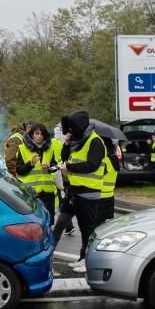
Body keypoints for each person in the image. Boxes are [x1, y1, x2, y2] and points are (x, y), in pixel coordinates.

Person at [59, 110, 107, 274]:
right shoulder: (77, 141)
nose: (70, 132)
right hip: (74, 191)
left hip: (89, 193)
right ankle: (82, 257)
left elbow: (92, 165)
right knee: (64, 223)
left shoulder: (95, 141)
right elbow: (64, 158)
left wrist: (70, 167)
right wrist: (66, 144)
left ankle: (88, 260)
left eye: (72, 128)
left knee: (87, 229)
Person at [16, 123, 58, 223]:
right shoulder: (22, 148)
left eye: (42, 134)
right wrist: (30, 164)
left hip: (48, 191)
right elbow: (19, 170)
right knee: (34, 221)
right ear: (31, 135)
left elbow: (55, 166)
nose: (39, 136)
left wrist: (50, 167)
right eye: (37, 133)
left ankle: (48, 237)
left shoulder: (50, 148)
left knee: (49, 220)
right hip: (31, 192)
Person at [100, 137, 120, 221]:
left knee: (98, 224)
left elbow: (98, 174)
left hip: (100, 196)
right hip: (110, 195)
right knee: (107, 224)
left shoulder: (106, 160)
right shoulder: (114, 159)